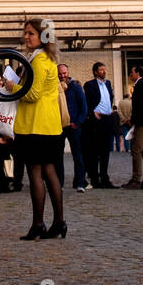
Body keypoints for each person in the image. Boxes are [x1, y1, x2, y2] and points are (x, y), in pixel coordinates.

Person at [14, 18, 66, 239]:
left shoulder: (37, 60)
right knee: (50, 171)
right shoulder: (49, 59)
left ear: (41, 36)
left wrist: (11, 86)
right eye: (25, 33)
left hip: (35, 125)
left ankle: (38, 224)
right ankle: (59, 222)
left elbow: (32, 94)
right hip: (50, 126)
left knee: (35, 172)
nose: (26, 37)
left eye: (30, 34)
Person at [82, 61, 116, 188]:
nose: (104, 71)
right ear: (95, 72)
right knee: (95, 151)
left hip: (107, 119)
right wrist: (92, 112)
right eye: (101, 69)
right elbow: (86, 101)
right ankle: (95, 178)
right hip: (97, 120)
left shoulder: (108, 83)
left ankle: (105, 178)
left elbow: (109, 98)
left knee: (105, 151)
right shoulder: (89, 84)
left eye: (104, 69)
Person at [123, 64, 143, 190]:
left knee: (136, 150)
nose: (130, 74)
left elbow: (140, 107)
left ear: (138, 73)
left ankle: (136, 179)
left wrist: (133, 120)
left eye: (132, 72)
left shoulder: (140, 86)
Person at [58, 63, 88, 191]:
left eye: (64, 73)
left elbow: (84, 106)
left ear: (68, 73)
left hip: (73, 125)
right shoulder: (55, 88)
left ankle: (80, 183)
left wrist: (78, 122)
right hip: (59, 127)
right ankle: (59, 184)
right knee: (58, 156)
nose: (62, 75)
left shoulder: (75, 87)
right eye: (60, 73)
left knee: (77, 155)